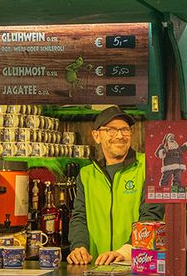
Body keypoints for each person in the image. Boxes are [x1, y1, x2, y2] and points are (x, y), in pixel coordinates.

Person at [67, 106, 164, 265]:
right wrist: (79, 247)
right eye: (111, 130)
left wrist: (125, 251)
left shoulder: (148, 166)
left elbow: (152, 215)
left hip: (138, 263)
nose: (120, 136)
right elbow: (79, 217)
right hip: (96, 267)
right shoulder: (87, 175)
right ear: (96, 136)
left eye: (125, 130)